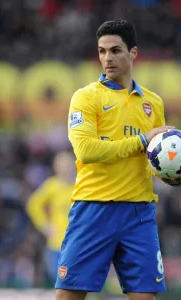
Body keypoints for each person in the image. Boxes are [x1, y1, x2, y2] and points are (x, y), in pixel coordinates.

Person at [55, 20, 181, 300]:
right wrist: (141, 140)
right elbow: (86, 150)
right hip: (94, 208)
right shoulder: (86, 97)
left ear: (133, 53)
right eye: (102, 51)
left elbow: (154, 158)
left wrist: (172, 173)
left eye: (115, 51)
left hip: (139, 214)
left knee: (145, 297)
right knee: (68, 296)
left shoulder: (153, 103)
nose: (107, 58)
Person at [26, 151, 75, 283]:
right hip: (57, 244)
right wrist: (45, 227)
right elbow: (33, 205)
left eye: (68, 165)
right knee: (62, 283)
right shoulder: (52, 186)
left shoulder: (81, 185)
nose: (65, 168)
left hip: (78, 243)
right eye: (61, 165)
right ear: (56, 167)